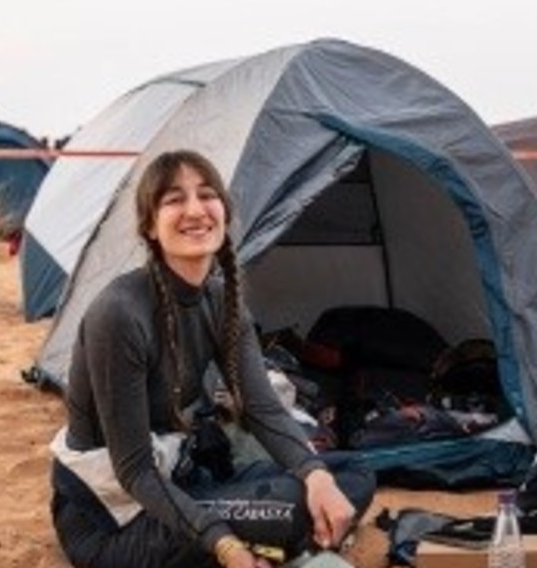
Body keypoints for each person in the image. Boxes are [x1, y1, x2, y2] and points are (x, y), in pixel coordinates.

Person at [49, 150, 376, 568]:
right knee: (291, 510)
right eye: (174, 200)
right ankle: (262, 540)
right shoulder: (120, 313)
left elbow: (262, 409)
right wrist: (223, 543)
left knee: (352, 474)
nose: (195, 210)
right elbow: (135, 471)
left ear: (224, 210)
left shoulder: (223, 300)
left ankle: (272, 534)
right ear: (149, 225)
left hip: (183, 481)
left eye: (207, 195)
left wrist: (316, 476)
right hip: (114, 517)